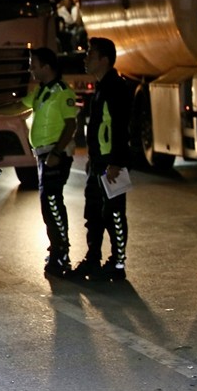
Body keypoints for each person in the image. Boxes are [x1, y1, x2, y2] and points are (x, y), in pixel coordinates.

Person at [0, 47, 80, 276]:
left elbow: (71, 125)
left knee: (52, 203)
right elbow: (19, 107)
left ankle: (62, 253)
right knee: (47, 205)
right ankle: (56, 249)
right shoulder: (41, 91)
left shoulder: (63, 92)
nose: (31, 69)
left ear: (47, 67)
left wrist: (57, 153)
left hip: (54, 156)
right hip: (43, 154)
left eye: (34, 64)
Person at [72, 36, 135, 282]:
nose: (86, 59)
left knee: (115, 214)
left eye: (90, 54)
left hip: (112, 163)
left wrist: (116, 162)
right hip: (98, 162)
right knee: (94, 213)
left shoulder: (116, 88)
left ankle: (118, 264)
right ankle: (93, 259)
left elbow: (121, 127)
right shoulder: (101, 87)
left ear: (104, 60)